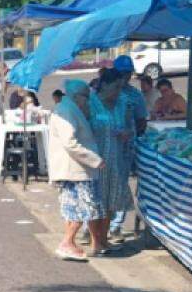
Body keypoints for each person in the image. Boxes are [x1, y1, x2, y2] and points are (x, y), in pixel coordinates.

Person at [48, 78, 106, 260]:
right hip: (76, 170)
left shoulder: (70, 109)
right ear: (76, 96)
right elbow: (70, 143)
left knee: (75, 208)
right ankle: (67, 242)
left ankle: (75, 243)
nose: (87, 101)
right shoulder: (66, 111)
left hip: (76, 170)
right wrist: (95, 160)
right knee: (82, 208)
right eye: (85, 97)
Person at [88, 68, 135, 254]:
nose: (117, 93)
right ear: (104, 85)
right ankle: (94, 241)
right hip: (94, 161)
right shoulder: (91, 102)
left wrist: (126, 133)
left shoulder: (122, 102)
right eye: (115, 88)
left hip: (114, 160)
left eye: (120, 88)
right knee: (94, 202)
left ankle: (104, 239)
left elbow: (129, 127)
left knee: (110, 202)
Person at [108, 54, 148, 241]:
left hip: (125, 149)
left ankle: (115, 226)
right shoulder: (104, 92)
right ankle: (92, 227)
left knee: (121, 186)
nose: (125, 76)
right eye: (121, 73)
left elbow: (141, 121)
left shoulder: (135, 95)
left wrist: (132, 136)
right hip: (105, 147)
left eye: (127, 73)